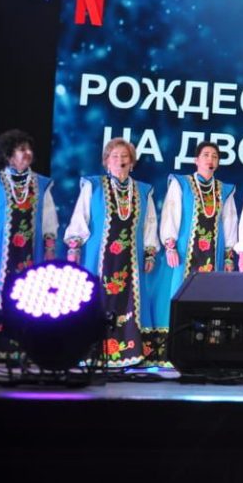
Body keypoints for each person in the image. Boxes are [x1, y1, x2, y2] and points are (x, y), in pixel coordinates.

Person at [65, 138, 159, 367]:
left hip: (131, 259)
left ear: (132, 162)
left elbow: (149, 224)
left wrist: (150, 252)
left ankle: (127, 353)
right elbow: (80, 216)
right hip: (98, 256)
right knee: (96, 298)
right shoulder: (93, 186)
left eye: (125, 156)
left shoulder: (143, 190)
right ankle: (91, 353)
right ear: (106, 162)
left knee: (129, 301)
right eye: (114, 156)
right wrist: (74, 246)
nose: (120, 160)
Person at [152, 141, 239, 347]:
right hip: (184, 251)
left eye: (215, 156)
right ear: (196, 160)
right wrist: (170, 245)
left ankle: (205, 344)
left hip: (214, 252)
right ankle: (176, 345)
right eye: (206, 155)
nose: (210, 159)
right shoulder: (181, 183)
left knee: (211, 296)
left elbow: (230, 221)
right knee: (180, 292)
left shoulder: (225, 190)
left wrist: (229, 256)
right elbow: (171, 213)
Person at [0, 130, 58, 310]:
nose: (28, 153)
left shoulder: (41, 183)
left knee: (29, 298)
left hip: (31, 250)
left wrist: (49, 249)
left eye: (29, 149)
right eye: (22, 149)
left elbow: (49, 220)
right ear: (9, 156)